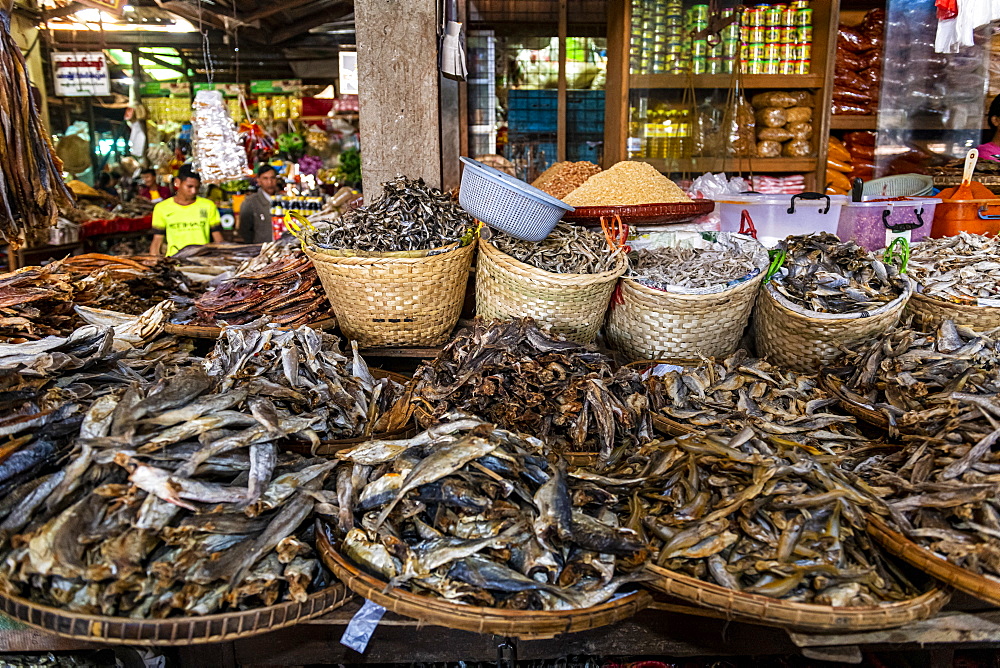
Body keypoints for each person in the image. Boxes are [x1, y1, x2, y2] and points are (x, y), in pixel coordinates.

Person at [150, 165, 224, 256]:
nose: (193, 191)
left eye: (197, 187)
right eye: (189, 186)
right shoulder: (162, 208)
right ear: (177, 182)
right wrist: (153, 260)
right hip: (174, 260)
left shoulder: (208, 206)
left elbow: (218, 237)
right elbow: (157, 239)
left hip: (203, 259)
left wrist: (223, 256)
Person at [238, 164, 282, 243]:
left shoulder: (283, 201)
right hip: (260, 250)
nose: (270, 182)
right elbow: (245, 231)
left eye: (272, 178)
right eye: (265, 178)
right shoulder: (250, 202)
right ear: (258, 180)